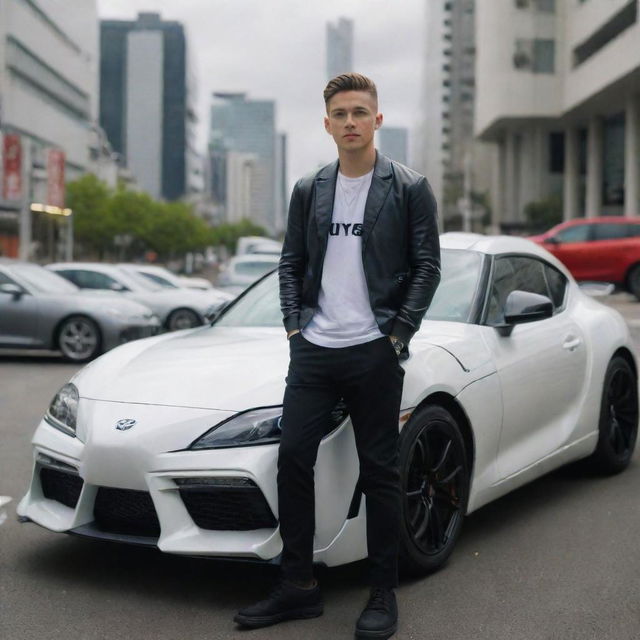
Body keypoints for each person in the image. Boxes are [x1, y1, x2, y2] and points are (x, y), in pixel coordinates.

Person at [234, 72, 441, 639]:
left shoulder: (409, 188)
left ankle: (381, 593)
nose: (350, 122)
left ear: (377, 119)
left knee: (380, 471)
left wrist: (395, 338)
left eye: (360, 112)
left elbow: (427, 267)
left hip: (375, 349)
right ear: (327, 126)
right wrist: (295, 330)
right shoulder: (310, 189)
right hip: (315, 351)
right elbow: (291, 264)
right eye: (340, 114)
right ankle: (297, 586)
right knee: (293, 457)